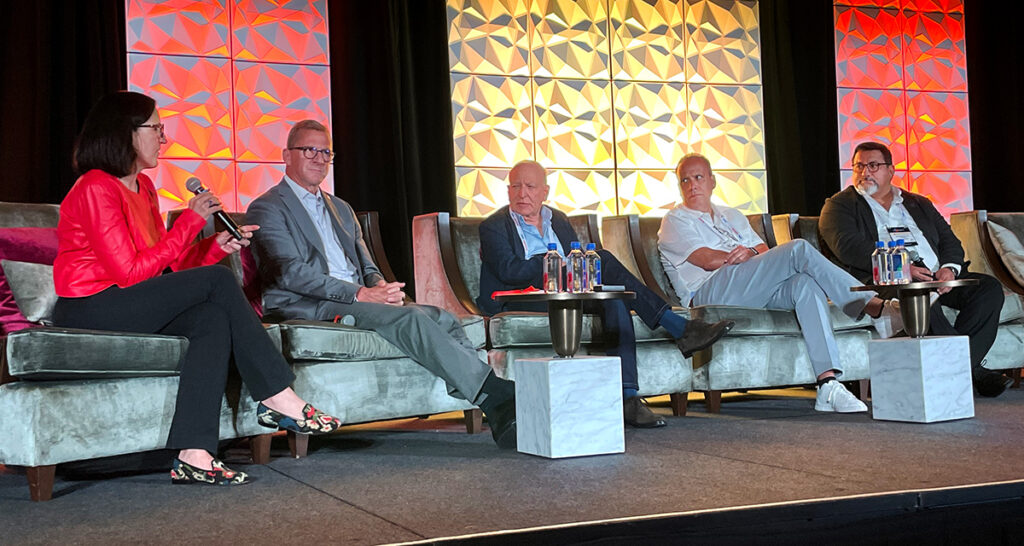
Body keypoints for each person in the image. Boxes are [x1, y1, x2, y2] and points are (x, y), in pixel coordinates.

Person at [52, 92, 341, 486]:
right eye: (156, 129)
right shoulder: (95, 188)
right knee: (219, 282)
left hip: (129, 298)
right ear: (126, 132)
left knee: (210, 317)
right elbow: (129, 273)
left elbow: (166, 269)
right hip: (89, 306)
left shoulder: (145, 188)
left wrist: (212, 247)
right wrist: (189, 223)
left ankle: (194, 454)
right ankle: (276, 394)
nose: (163, 139)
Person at [246, 120, 517, 449]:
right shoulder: (267, 207)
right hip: (310, 304)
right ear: (287, 155)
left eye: (326, 151)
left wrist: (381, 289)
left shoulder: (341, 208)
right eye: (309, 150)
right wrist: (359, 293)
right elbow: (289, 274)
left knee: (443, 317)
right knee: (412, 318)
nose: (319, 158)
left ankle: (492, 406)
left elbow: (367, 266)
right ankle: (496, 396)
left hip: (358, 297)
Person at [477, 160, 734, 428]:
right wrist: (552, 261)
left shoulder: (559, 220)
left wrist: (568, 266)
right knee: (604, 259)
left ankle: (628, 398)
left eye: (530, 186)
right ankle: (680, 328)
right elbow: (509, 270)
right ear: (508, 191)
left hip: (569, 294)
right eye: (516, 186)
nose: (522, 194)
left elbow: (582, 266)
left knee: (615, 300)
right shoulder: (493, 226)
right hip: (523, 299)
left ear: (545, 191)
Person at [658, 154, 910, 413]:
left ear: (712, 181)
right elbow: (708, 260)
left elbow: (762, 248)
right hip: (708, 291)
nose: (692, 185)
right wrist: (749, 256)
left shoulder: (730, 215)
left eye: (698, 177)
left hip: (748, 286)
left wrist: (752, 254)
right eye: (685, 180)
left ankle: (828, 383)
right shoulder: (675, 220)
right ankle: (874, 308)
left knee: (804, 284)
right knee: (798, 249)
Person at [819, 141, 1009, 397]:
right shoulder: (840, 205)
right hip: (887, 281)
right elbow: (848, 246)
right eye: (859, 166)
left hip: (934, 276)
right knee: (919, 297)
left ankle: (959, 368)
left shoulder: (918, 203)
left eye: (873, 165)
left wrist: (949, 270)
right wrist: (902, 268)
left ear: (890, 170)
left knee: (988, 288)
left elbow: (950, 241)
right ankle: (970, 371)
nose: (865, 172)